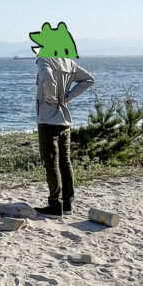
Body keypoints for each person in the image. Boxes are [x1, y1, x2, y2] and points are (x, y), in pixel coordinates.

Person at [34, 54, 94, 217]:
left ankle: (55, 204)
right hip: (64, 119)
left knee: (52, 162)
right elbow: (88, 80)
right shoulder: (69, 63)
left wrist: (51, 97)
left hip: (48, 118)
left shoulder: (44, 60)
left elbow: (48, 77)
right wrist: (68, 97)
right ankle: (67, 204)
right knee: (65, 162)